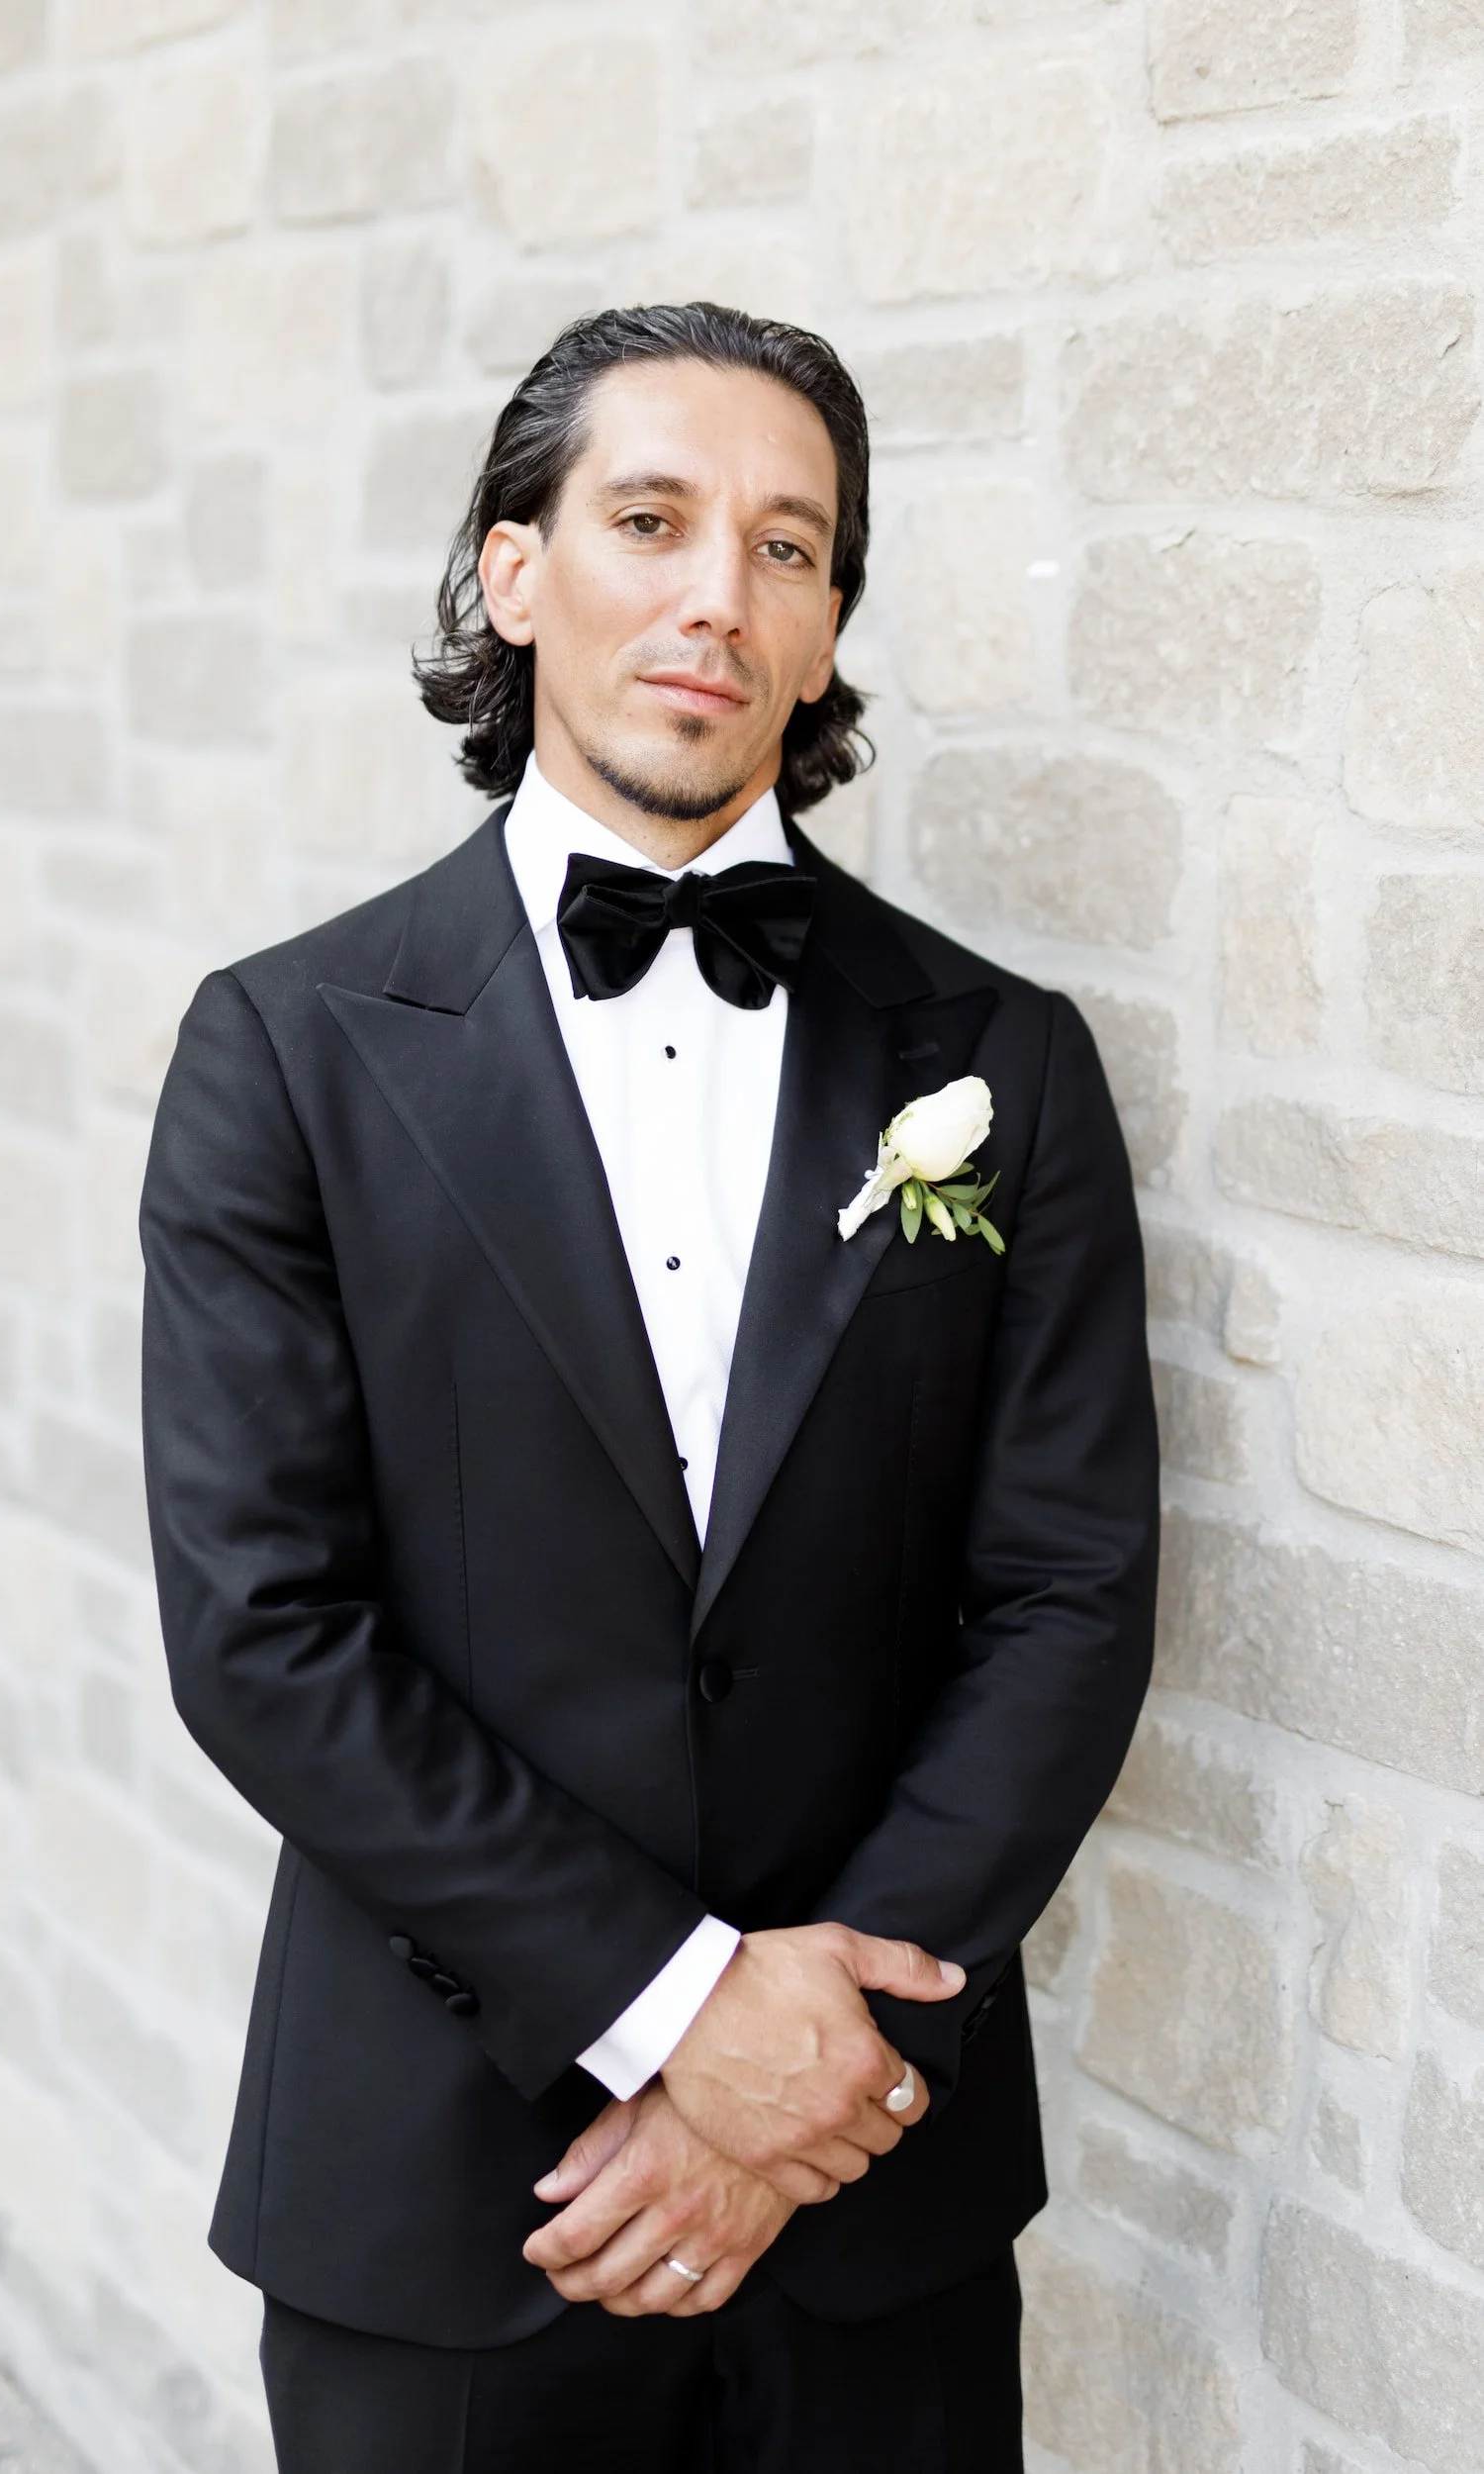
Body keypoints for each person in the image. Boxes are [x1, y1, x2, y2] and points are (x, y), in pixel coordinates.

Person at [139, 302, 1159, 2474]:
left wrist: (812, 2090)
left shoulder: (1004, 1057)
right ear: (516, 571)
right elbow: (267, 1633)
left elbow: (1064, 1591)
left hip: (876, 2200)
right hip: (443, 2197)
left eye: (791, 547)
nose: (720, 591)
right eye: (651, 518)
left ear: (829, 625)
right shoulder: (288, 1051)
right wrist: (695, 2018)